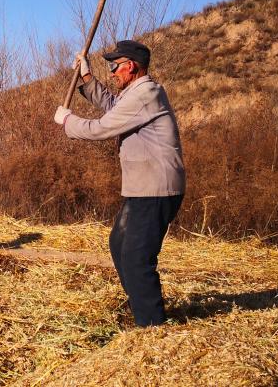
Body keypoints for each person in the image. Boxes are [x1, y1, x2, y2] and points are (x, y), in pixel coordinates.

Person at [53, 40, 185, 326]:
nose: (112, 72)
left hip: (156, 189)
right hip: (143, 187)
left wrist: (68, 122)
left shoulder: (145, 94)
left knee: (137, 257)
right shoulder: (135, 94)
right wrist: (87, 77)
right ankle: (141, 304)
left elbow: (102, 127)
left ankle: (152, 327)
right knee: (119, 243)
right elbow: (113, 106)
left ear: (132, 66)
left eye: (115, 66)